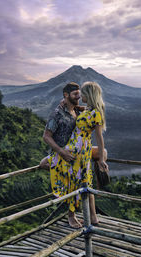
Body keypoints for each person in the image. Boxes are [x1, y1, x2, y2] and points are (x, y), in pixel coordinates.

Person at [45, 81, 108, 228]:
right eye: (76, 95)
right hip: (73, 149)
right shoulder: (66, 111)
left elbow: (99, 136)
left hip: (78, 150)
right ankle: (92, 217)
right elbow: (46, 136)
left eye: (82, 95)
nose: (79, 97)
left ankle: (74, 215)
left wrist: (101, 159)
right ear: (66, 95)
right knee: (82, 179)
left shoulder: (91, 112)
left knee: (76, 179)